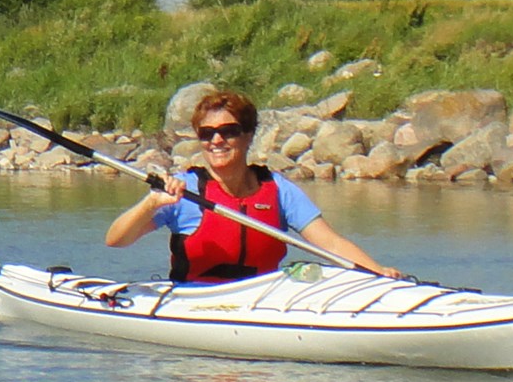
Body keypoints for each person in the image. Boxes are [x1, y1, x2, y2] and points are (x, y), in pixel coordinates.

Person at [105, 87, 400, 281]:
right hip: (194, 301)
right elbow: (116, 240)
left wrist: (378, 272)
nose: (216, 141)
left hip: (260, 300)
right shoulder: (182, 191)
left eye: (228, 131)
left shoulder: (278, 190)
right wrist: (151, 203)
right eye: (206, 134)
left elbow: (330, 242)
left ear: (248, 135)